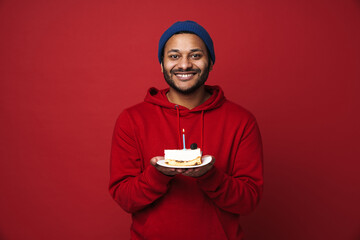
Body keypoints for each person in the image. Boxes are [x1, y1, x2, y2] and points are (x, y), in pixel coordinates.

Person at [109, 20, 263, 240]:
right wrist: (158, 174)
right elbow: (125, 198)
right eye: (174, 56)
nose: (184, 65)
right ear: (161, 64)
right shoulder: (132, 120)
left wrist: (209, 175)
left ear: (210, 63)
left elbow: (248, 200)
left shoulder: (242, 121)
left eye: (195, 55)